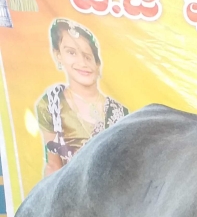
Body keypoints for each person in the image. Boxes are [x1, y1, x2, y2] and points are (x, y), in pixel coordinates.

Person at [35, 18, 128, 177]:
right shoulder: (52, 104)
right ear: (58, 55)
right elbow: (53, 165)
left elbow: (125, 166)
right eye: (71, 52)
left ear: (97, 65)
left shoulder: (119, 112)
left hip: (111, 194)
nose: (82, 63)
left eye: (88, 56)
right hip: (70, 194)